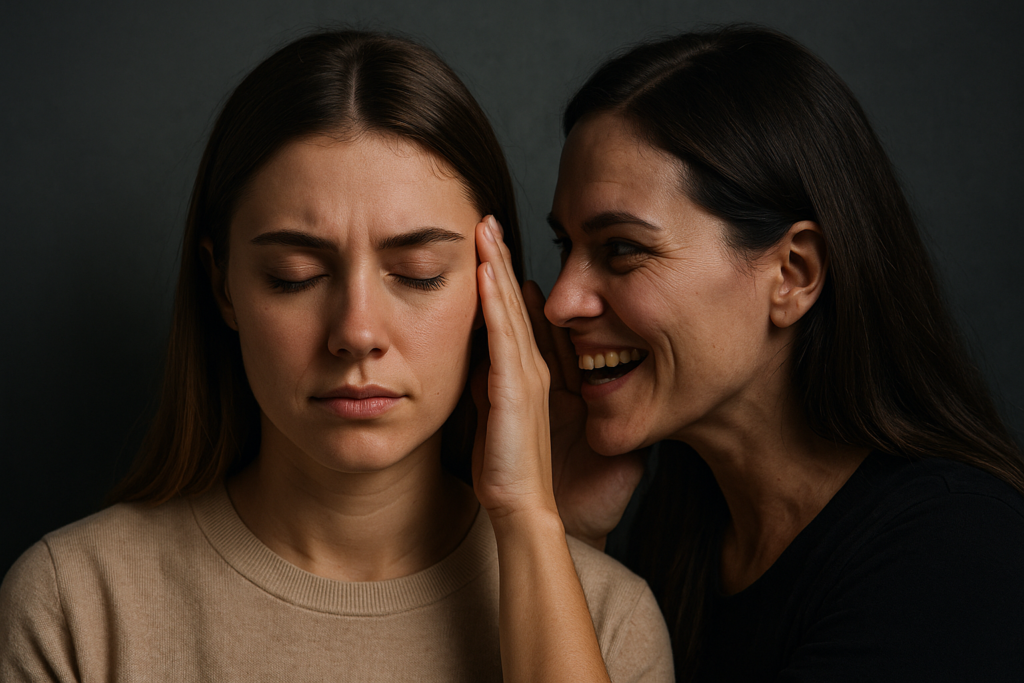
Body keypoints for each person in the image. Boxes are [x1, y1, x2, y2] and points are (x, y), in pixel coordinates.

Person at [0, 30, 672, 682]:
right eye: (293, 274)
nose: (356, 331)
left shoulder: (611, 621)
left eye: (417, 272)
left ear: (489, 288)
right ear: (222, 286)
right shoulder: (77, 603)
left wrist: (528, 515)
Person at [522, 24, 1024, 681]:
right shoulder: (683, 531)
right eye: (567, 247)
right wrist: (576, 539)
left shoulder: (953, 555)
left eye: (620, 248)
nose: (561, 302)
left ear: (793, 273)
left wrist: (531, 522)